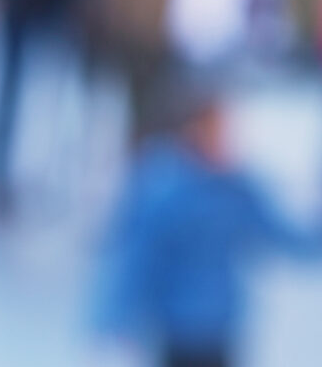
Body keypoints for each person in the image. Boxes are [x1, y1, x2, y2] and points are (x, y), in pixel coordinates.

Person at [91, 74, 322, 367]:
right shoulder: (162, 187)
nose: (223, 137)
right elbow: (135, 258)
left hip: (221, 329)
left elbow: (283, 234)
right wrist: (113, 317)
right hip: (177, 331)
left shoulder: (236, 187)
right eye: (214, 127)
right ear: (191, 129)